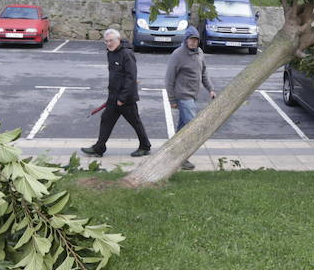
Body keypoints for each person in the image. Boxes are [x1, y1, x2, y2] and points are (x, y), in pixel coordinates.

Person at [81, 27, 151, 157]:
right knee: (106, 119)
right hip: (113, 97)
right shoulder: (110, 53)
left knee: (135, 122)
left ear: (118, 40)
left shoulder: (127, 54)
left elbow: (131, 77)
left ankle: (145, 146)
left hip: (126, 99)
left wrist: (122, 98)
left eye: (111, 40)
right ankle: (99, 147)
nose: (108, 43)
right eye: (106, 41)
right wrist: (112, 96)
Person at [164, 25, 216, 169]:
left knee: (182, 129)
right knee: (192, 129)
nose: (193, 42)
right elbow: (169, 79)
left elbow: (204, 73)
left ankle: (171, 154)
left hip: (193, 96)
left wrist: (210, 89)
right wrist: (172, 100)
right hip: (183, 96)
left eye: (196, 40)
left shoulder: (199, 52)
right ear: (186, 40)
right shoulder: (178, 54)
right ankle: (182, 159)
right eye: (191, 40)